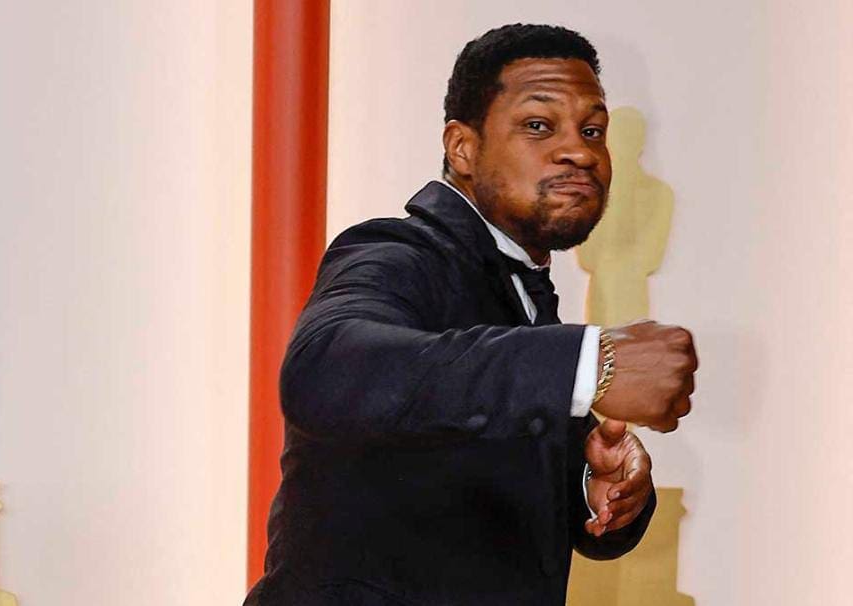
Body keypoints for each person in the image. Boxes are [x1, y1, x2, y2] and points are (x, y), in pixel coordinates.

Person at [245, 24, 697, 605]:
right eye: (539, 125)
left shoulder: (528, 301)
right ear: (462, 148)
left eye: (592, 131)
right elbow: (325, 369)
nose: (581, 152)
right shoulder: (397, 253)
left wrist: (596, 487)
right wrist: (591, 363)